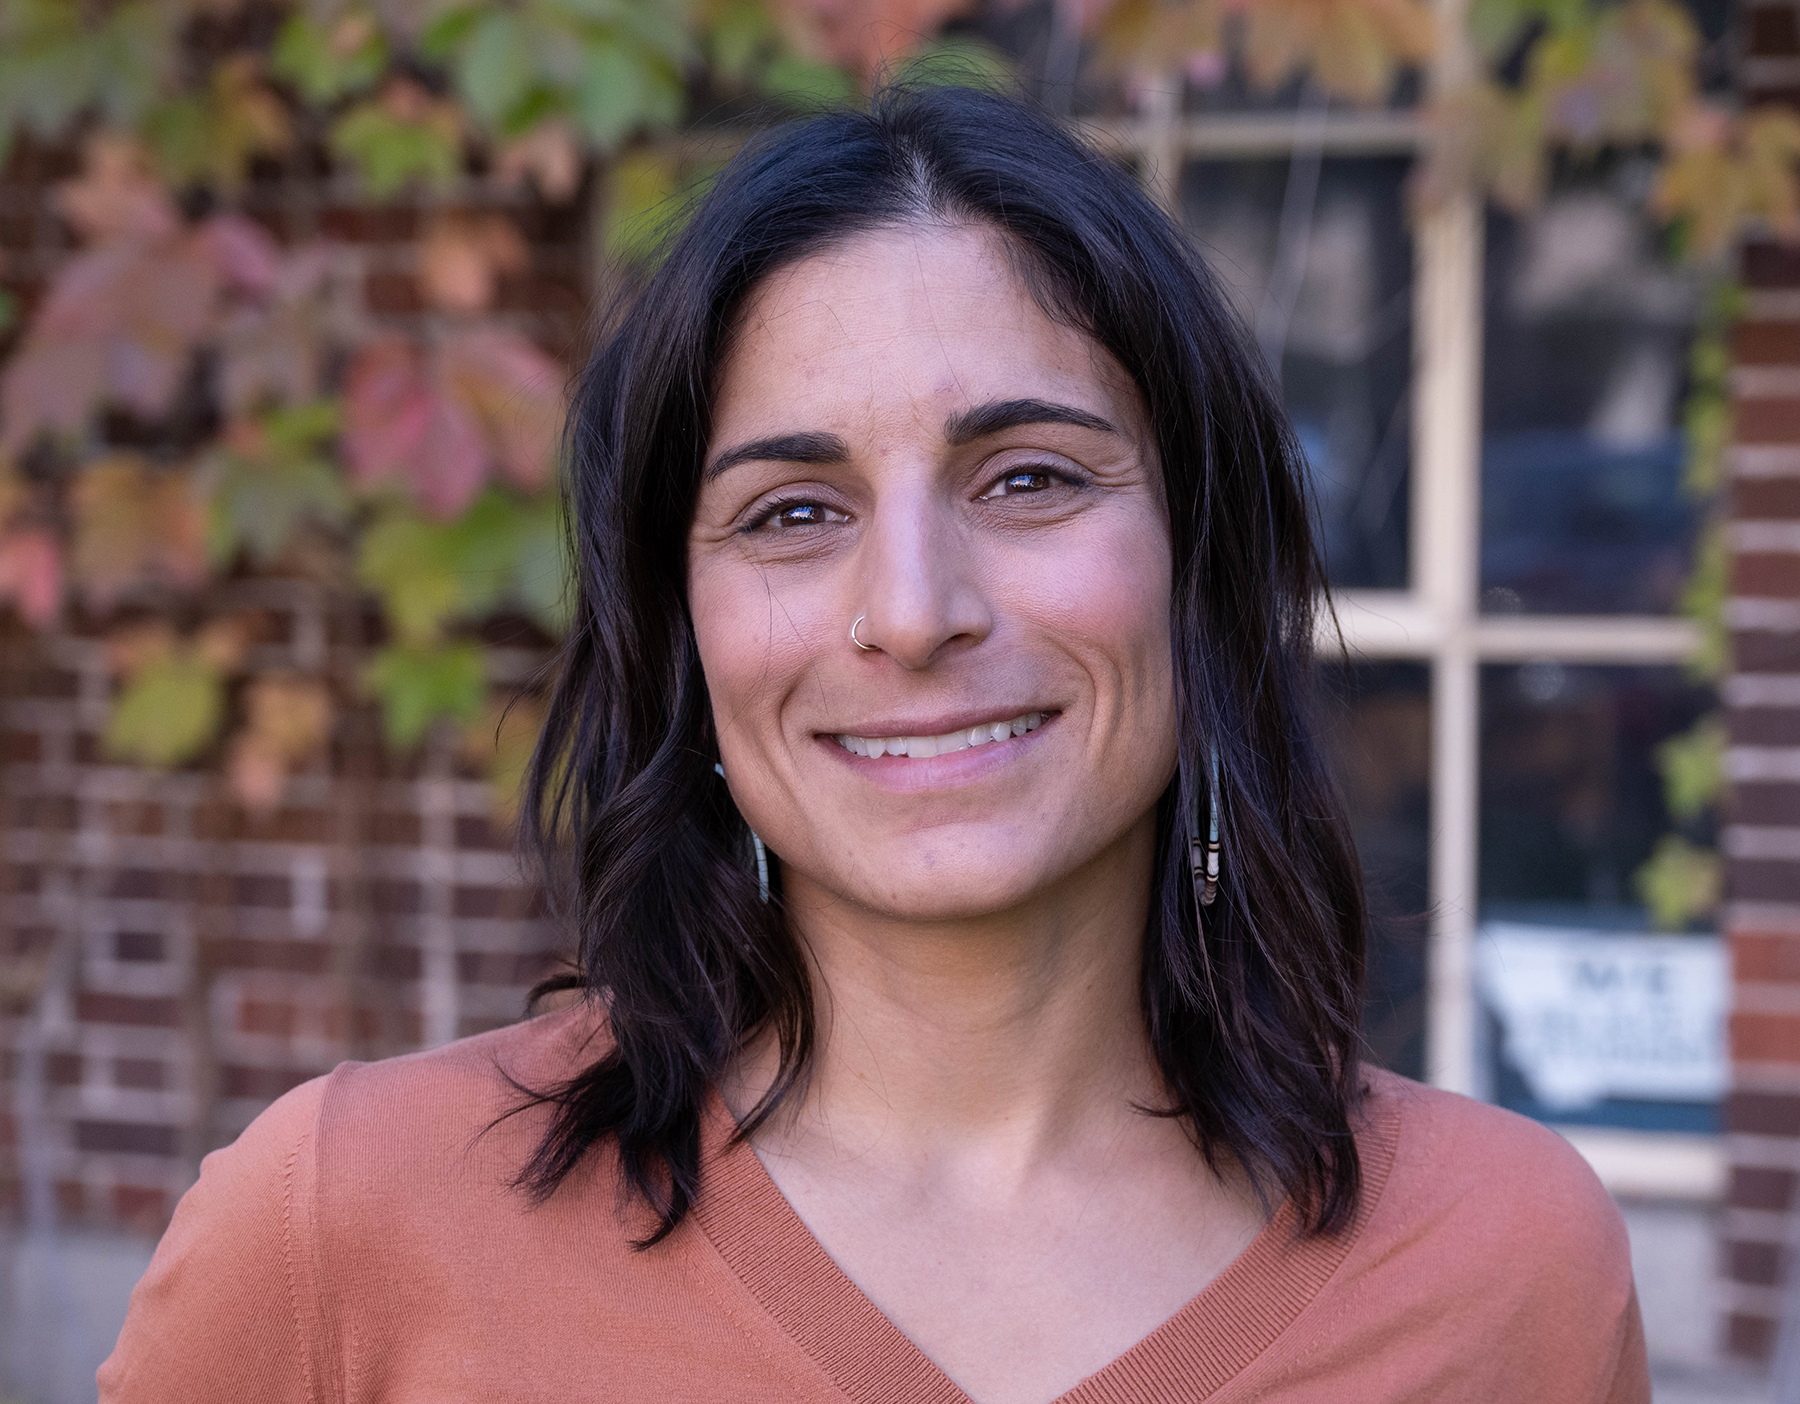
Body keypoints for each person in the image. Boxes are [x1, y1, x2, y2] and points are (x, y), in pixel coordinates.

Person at [99, 84, 1647, 1404]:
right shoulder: (344, 1231)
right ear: (682, 627)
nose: (912, 612)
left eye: (1030, 478)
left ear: (1201, 564)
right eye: (793, 512)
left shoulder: (1505, 1269)